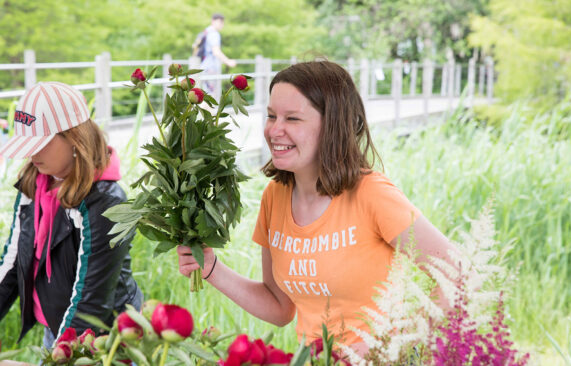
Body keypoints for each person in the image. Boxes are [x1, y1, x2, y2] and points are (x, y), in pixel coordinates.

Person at [177, 61, 458, 356]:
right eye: (271, 116)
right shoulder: (275, 196)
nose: (275, 130)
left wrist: (395, 347)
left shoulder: (372, 194)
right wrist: (211, 270)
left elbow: (458, 273)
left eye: (293, 119)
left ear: (332, 125)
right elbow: (280, 307)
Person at [0, 82, 143, 349]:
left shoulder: (107, 202)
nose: (32, 154)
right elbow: (13, 260)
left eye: (40, 143)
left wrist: (60, 354)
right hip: (57, 330)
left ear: (74, 136)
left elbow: (92, 298)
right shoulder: (34, 183)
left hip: (106, 340)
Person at [196, 13, 237, 97]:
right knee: (211, 96)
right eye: (220, 22)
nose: (222, 24)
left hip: (204, 67)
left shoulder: (206, 31)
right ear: (213, 21)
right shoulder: (214, 34)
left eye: (222, 22)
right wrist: (228, 61)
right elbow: (216, 51)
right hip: (210, 68)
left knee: (207, 95)